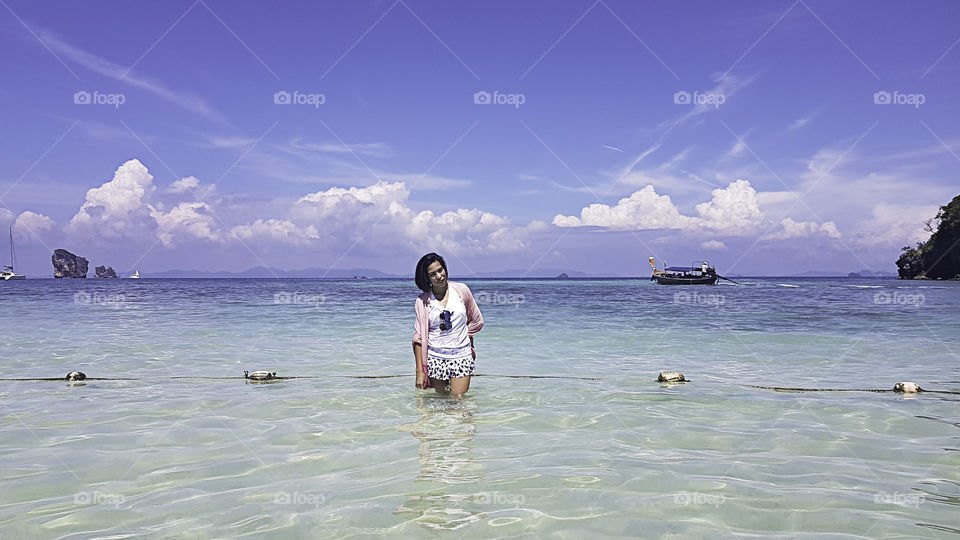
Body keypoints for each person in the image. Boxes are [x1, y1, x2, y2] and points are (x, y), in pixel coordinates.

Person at [412, 253, 483, 398]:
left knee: (458, 400)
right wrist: (420, 372)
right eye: (432, 274)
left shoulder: (461, 290)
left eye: (440, 270)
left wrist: (464, 338)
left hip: (461, 355)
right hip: (435, 357)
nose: (439, 276)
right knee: (441, 401)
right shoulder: (422, 301)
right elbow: (418, 338)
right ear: (427, 278)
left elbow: (476, 320)